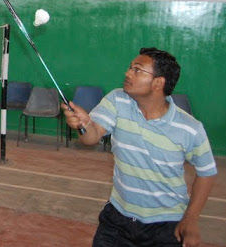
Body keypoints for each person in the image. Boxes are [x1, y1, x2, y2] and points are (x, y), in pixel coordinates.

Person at [61, 47, 217, 247]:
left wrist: (191, 219)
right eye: (130, 67)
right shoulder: (117, 100)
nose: (127, 73)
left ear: (158, 83)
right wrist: (84, 124)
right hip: (117, 219)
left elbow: (207, 173)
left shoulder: (190, 128)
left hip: (166, 225)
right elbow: (91, 137)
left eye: (137, 70)